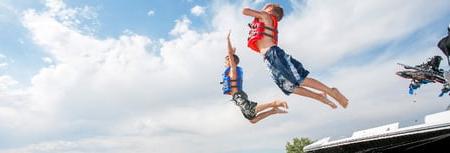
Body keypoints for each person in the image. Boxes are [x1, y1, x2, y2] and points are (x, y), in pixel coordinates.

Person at [242, 3, 348, 109]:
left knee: (299, 79)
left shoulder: (266, 16)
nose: (263, 10)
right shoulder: (265, 19)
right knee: (288, 86)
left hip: (274, 54)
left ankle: (331, 91)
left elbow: (245, 11)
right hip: (268, 59)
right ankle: (319, 96)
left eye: (266, 8)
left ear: (270, 11)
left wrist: (265, 7)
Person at [221, 31, 288, 124]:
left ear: (231, 61)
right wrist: (232, 54)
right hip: (238, 97)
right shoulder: (231, 71)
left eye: (226, 61)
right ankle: (273, 110)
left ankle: (275, 103)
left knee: (251, 111)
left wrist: (227, 40)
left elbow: (230, 55)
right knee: (252, 119)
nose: (225, 63)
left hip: (239, 96)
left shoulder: (233, 70)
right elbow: (231, 57)